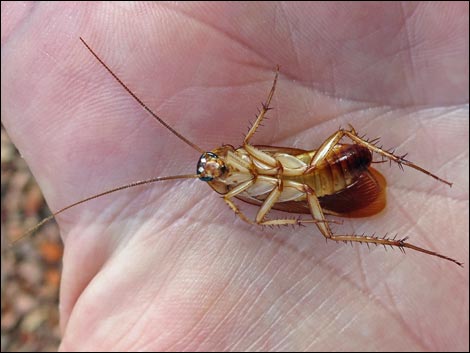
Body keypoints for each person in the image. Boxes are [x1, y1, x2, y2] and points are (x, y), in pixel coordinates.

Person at [2, 2, 468, 351]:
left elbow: (254, 147)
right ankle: (404, 244)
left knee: (347, 139)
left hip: (309, 167)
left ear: (227, 155)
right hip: (312, 193)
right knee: (328, 229)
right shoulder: (236, 192)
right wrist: (294, 214)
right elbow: (256, 217)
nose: (217, 168)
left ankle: (418, 171)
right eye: (216, 173)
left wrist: (266, 167)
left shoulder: (240, 162)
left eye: (218, 162)